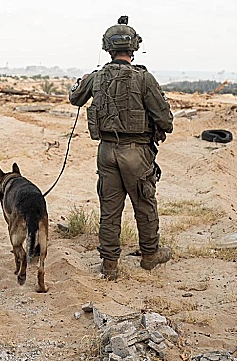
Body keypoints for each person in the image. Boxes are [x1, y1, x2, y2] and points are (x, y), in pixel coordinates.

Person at [69, 16, 174, 281]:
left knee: (110, 208)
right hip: (136, 152)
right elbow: (166, 121)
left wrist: (80, 81)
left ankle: (110, 265)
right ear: (134, 47)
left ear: (107, 47)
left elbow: (75, 98)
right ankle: (150, 256)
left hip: (106, 152)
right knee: (144, 202)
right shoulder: (144, 78)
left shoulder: (96, 77)